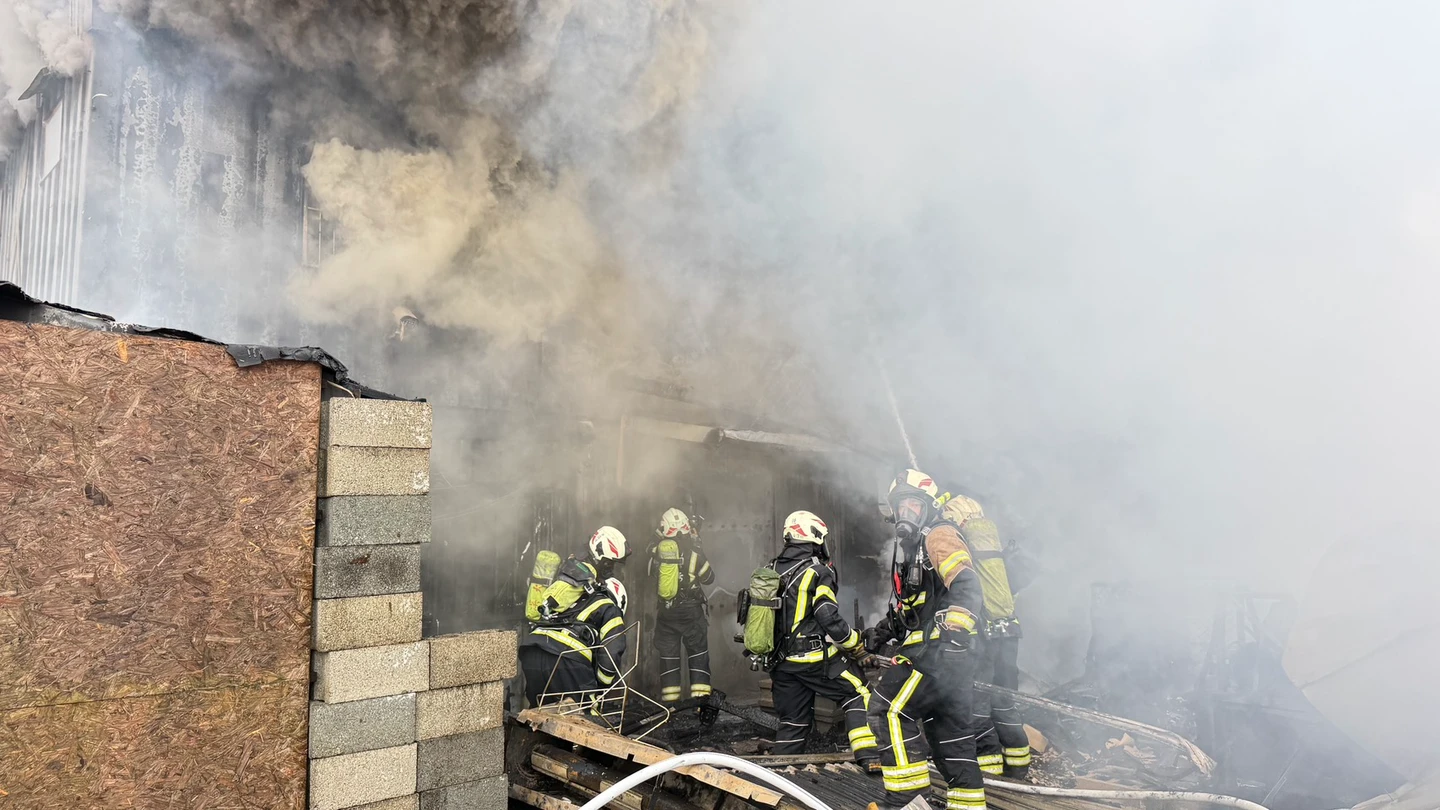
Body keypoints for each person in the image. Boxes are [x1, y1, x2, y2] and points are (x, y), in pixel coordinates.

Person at [864, 470, 987, 810]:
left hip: (936, 654)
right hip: (951, 663)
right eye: (900, 506)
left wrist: (955, 634)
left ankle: (907, 801)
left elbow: (966, 584)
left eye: (914, 505)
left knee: (887, 710)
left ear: (930, 507)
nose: (906, 514)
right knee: (953, 739)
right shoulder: (916, 549)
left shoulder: (939, 535)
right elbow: (914, 609)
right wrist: (879, 634)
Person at [768, 509, 881, 770]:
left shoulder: (770, 569)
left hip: (780, 662)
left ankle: (782, 773)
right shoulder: (818, 571)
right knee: (857, 692)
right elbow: (827, 616)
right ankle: (870, 757)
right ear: (814, 536)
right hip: (812, 658)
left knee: (793, 720)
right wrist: (856, 646)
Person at [946, 494, 1030, 780]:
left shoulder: (963, 544)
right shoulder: (994, 545)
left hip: (985, 638)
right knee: (1005, 702)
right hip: (1010, 634)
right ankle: (1019, 770)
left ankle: (991, 778)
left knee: (978, 706)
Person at [519, 526, 630, 710]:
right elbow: (611, 653)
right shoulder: (609, 608)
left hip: (532, 651)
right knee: (586, 717)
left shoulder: (572, 582)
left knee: (542, 714)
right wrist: (601, 686)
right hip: (566, 660)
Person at [647, 508, 715, 703]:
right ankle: (700, 704)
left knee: (669, 661)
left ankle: (671, 706)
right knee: (698, 656)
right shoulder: (694, 553)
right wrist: (698, 546)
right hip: (691, 613)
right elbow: (709, 578)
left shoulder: (656, 552)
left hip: (666, 614)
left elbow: (650, 563)